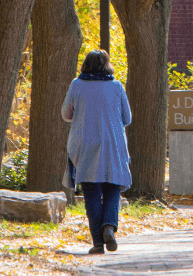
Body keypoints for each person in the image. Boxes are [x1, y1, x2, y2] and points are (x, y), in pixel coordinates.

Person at [61, 50, 133, 254]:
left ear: (85, 65)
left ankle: (98, 244)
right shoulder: (116, 86)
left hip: (85, 146)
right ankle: (109, 226)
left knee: (91, 192)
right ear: (107, 65)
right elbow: (127, 118)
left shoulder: (77, 85)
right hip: (113, 145)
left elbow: (66, 114)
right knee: (113, 188)